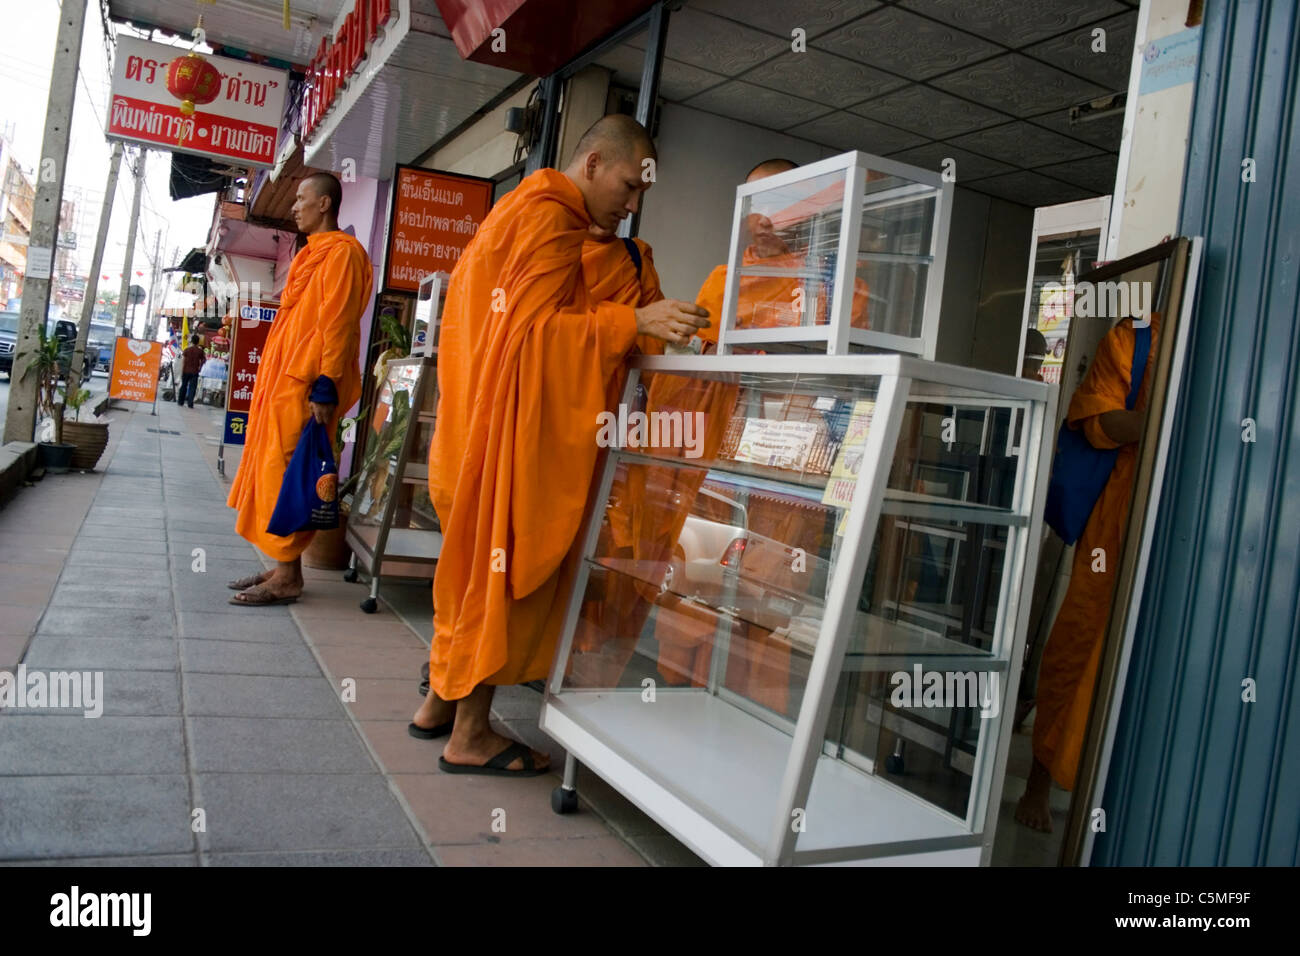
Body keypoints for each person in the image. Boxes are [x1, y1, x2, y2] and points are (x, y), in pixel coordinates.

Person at [410, 115, 709, 775]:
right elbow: (532, 343)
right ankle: (470, 735)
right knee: (502, 580)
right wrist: (628, 321)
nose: (632, 205)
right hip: (514, 444)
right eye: (629, 186)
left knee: (469, 580)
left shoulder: (519, 210)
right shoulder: (549, 219)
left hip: (479, 435)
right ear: (594, 162)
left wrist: (647, 325)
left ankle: (435, 706)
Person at [1015, 313, 1158, 831]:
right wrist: (1165, 424)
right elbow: (1097, 421)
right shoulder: (1137, 338)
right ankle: (1038, 784)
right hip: (1113, 522)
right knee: (1077, 646)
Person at [225, 172, 374, 606]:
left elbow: (339, 322)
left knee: (289, 469)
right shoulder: (313, 254)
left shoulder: (342, 255)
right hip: (285, 382)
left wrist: (326, 384)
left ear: (324, 204)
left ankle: (290, 576)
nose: (293, 206)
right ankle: (281, 563)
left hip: (308, 385)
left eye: (301, 198)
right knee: (272, 465)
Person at [177, 335, 205, 408]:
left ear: (191, 341)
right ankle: (190, 403)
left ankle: (180, 402)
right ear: (198, 342)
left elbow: (183, 361)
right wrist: (200, 368)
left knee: (183, 386)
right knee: (192, 387)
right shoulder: (200, 351)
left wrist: (182, 370)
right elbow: (203, 360)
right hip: (195, 371)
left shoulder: (187, 350)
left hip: (186, 370)